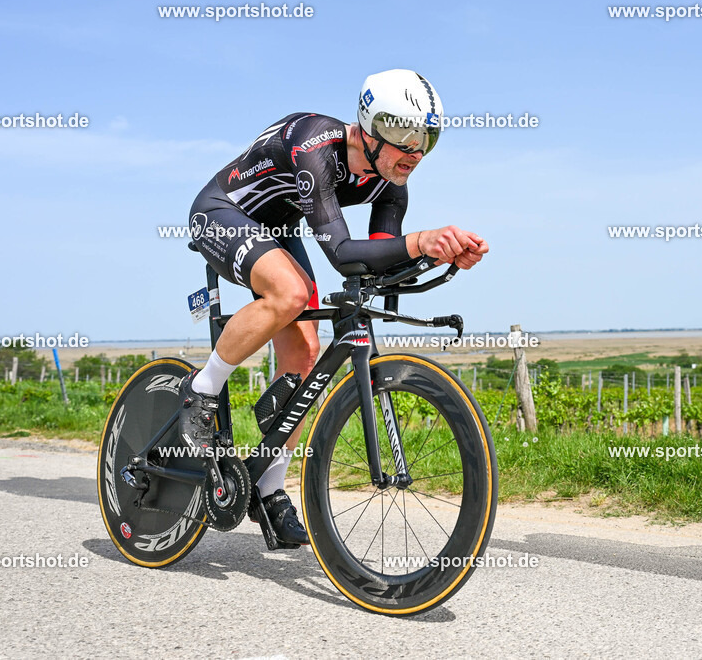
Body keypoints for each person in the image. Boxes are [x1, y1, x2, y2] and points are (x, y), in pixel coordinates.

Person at [182, 69, 489, 545]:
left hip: (279, 226)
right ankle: (201, 390)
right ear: (369, 127)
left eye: (427, 138)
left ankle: (267, 486)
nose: (416, 152)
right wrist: (422, 240)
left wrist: (435, 252)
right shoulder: (315, 146)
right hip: (223, 211)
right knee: (290, 292)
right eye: (406, 136)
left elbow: (379, 266)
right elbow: (343, 253)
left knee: (306, 355)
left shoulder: (391, 179)